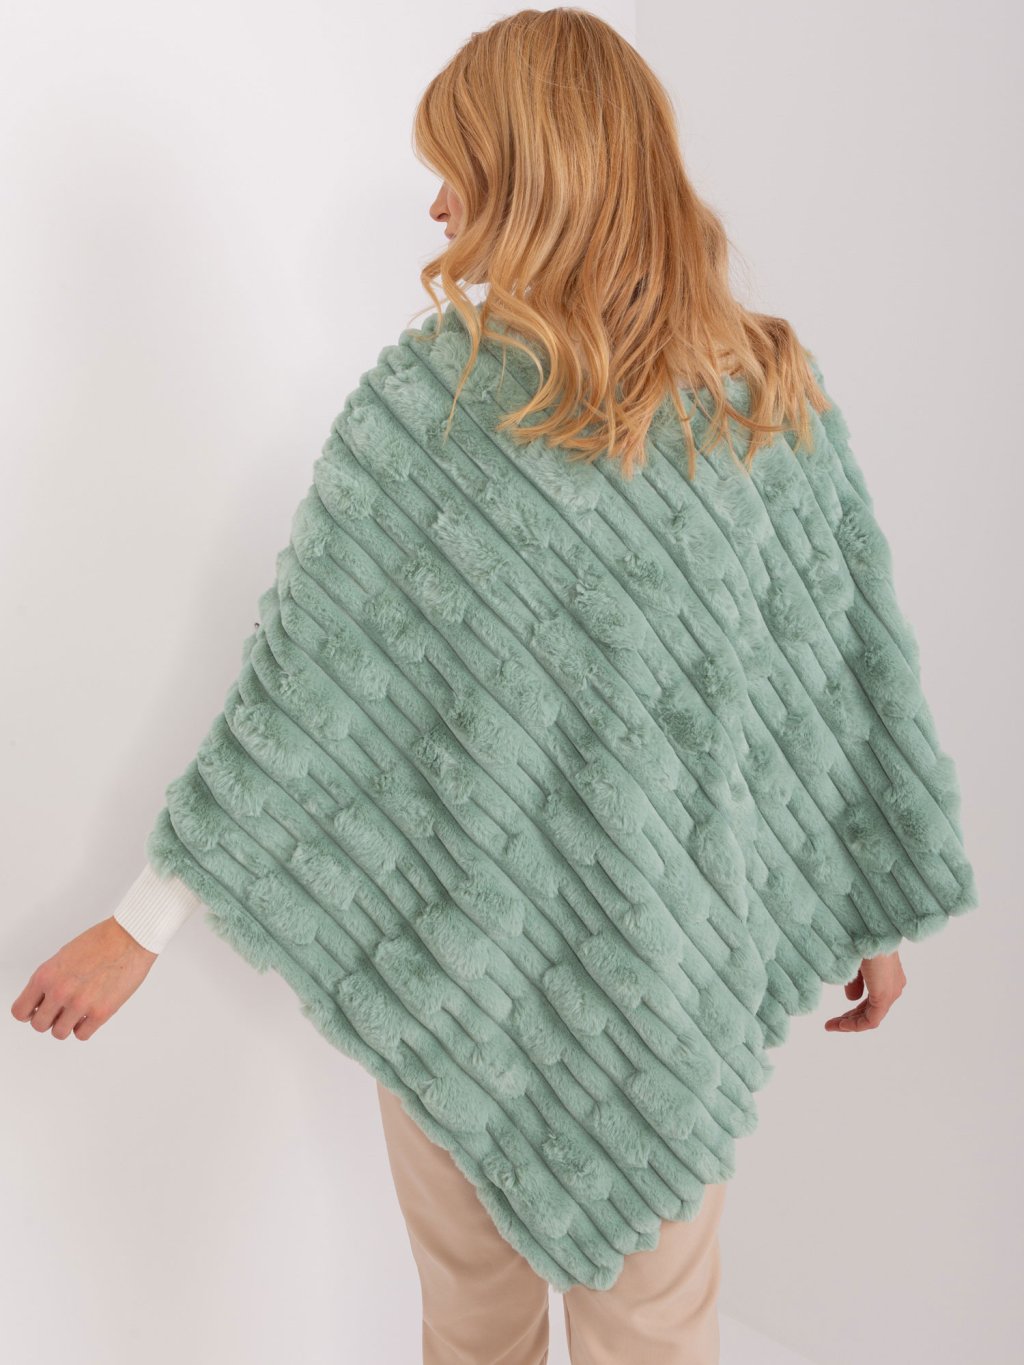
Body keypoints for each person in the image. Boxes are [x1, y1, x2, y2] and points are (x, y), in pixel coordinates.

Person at [9, 9, 974, 1364]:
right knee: (474, 1330)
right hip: (458, 968)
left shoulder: (763, 394)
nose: (438, 205)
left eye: (456, 168)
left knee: (653, 1335)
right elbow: (307, 700)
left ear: (536, 176)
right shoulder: (426, 413)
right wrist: (141, 923)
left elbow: (827, 675)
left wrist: (865, 900)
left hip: (664, 983)